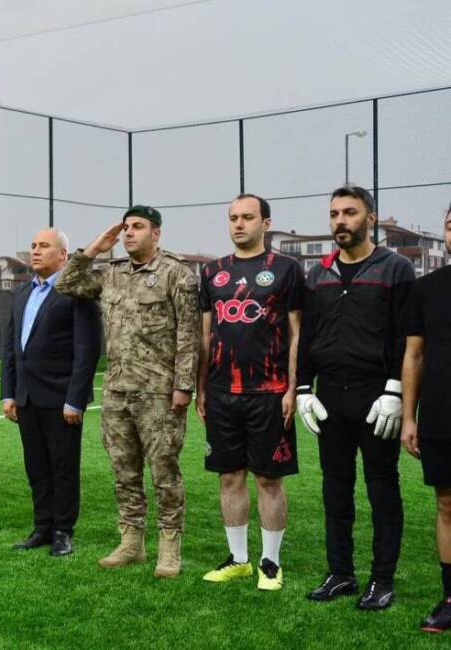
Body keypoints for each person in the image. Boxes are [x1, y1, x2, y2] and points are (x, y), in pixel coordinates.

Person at [56, 205, 199, 578]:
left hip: (159, 393)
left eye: (138, 227)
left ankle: (169, 547)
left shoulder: (177, 274)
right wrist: (95, 248)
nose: (129, 233)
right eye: (126, 228)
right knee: (124, 472)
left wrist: (184, 386)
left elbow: (189, 334)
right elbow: (64, 284)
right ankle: (131, 542)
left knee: (164, 473)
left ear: (156, 233)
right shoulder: (112, 273)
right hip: (117, 391)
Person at [297, 185, 415, 609]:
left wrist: (394, 389)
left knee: (382, 487)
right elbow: (307, 335)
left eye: (349, 212)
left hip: (376, 395)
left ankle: (382, 579)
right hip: (331, 395)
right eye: (334, 214)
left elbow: (406, 336)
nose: (340, 221)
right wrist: (303, 388)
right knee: (335, 487)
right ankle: (340, 573)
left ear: (370, 218)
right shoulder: (318, 273)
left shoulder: (395, 268)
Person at [196, 194, 303, 591]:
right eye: (233, 218)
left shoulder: (286, 269)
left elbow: (296, 334)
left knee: (269, 480)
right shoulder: (212, 272)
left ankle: (270, 563)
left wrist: (293, 388)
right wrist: (201, 388)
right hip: (222, 392)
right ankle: (238, 559)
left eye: (247, 217)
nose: (239, 224)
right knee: (229, 477)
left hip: (270, 392)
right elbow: (205, 336)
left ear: (266, 223)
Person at [3, 228, 102, 557]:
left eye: (44, 246)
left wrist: (75, 399)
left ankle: (63, 530)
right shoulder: (23, 293)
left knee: (63, 468)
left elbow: (87, 350)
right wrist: (9, 393)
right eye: (33, 245)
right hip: (27, 398)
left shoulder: (76, 292)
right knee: (36, 467)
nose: (35, 251)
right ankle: (42, 526)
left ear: (63, 255)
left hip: (61, 399)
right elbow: (12, 349)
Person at [402, 203, 451, 632]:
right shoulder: (427, 288)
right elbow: (414, 355)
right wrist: (408, 416)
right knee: (447, 503)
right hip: (440, 411)